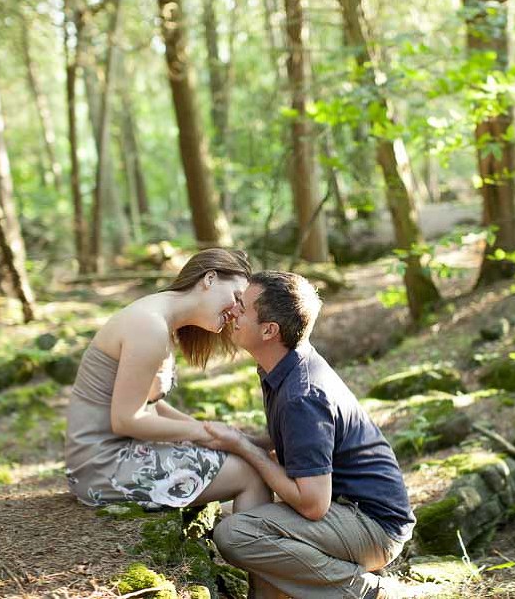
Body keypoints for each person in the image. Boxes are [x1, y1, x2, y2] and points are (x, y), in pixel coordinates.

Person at [200, 271, 414, 599]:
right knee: (241, 515)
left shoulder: (302, 394)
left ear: (270, 330)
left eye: (242, 307)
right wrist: (233, 439)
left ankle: (368, 592)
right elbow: (295, 438)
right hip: (348, 511)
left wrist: (243, 446)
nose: (233, 311)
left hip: (373, 525)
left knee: (235, 533)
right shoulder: (285, 365)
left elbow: (313, 505)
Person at [64, 248, 271, 515]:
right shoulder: (149, 326)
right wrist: (205, 435)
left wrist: (210, 431)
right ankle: (254, 549)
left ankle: (239, 533)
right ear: (209, 279)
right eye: (236, 297)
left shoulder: (158, 319)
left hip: (109, 458)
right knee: (250, 473)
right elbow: (127, 420)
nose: (236, 311)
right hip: (102, 467)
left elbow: (150, 405)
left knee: (249, 458)